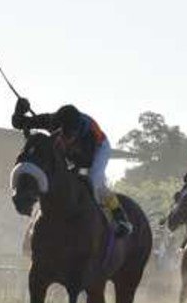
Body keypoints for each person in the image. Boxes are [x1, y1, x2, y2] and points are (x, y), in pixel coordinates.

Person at [10, 98, 132, 236]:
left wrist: (68, 159)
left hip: (99, 147)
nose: (67, 140)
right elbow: (19, 123)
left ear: (78, 133)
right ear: (57, 128)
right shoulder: (51, 121)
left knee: (95, 180)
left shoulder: (88, 138)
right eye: (64, 136)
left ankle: (119, 217)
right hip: (75, 150)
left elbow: (83, 166)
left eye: (71, 137)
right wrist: (19, 109)